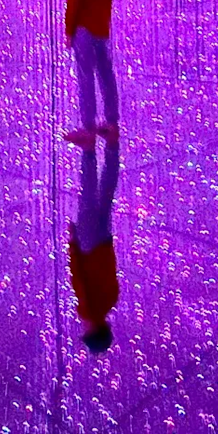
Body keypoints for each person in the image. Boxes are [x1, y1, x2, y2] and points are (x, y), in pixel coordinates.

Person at [64, 0, 119, 143]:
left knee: (85, 77)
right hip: (101, 30)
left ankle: (87, 129)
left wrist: (69, 31)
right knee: (106, 75)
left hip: (84, 30)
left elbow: (74, 0)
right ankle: (112, 124)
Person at [67, 125, 120, 353]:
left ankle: (112, 145)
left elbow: (110, 267)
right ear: (93, 330)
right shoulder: (87, 310)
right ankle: (88, 149)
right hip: (87, 244)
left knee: (106, 192)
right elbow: (77, 274)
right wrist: (73, 241)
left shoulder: (111, 300)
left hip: (105, 240)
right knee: (87, 194)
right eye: (86, 332)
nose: (83, 327)